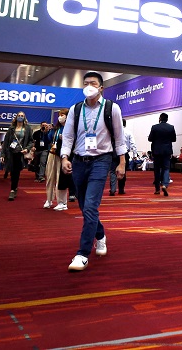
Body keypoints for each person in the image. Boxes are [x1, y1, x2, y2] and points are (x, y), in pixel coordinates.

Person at [60, 71, 126, 272]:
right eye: (86, 83)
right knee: (82, 204)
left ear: (101, 88)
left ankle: (82, 253)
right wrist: (64, 157)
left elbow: (119, 138)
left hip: (101, 160)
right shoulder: (75, 109)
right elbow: (68, 135)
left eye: (93, 83)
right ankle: (100, 235)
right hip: (79, 161)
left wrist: (121, 163)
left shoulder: (111, 108)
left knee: (90, 205)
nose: (89, 86)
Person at [3, 112, 34, 200]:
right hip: (11, 152)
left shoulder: (27, 129)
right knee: (12, 172)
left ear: (24, 118)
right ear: (16, 117)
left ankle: (13, 189)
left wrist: (27, 149)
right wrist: (3, 154)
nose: (20, 117)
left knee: (16, 172)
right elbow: (6, 142)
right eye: (19, 116)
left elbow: (31, 141)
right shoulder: (11, 128)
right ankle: (13, 189)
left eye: (22, 116)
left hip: (20, 153)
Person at [148, 112, 176, 196]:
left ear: (160, 118)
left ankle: (157, 189)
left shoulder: (154, 127)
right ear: (167, 119)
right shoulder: (171, 127)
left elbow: (150, 139)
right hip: (167, 151)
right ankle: (164, 185)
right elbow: (174, 139)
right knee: (166, 168)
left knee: (156, 170)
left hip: (156, 151)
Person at [111, 120, 136, 195]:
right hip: (125, 153)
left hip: (114, 153)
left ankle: (113, 189)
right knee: (123, 171)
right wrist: (134, 155)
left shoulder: (114, 132)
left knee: (112, 171)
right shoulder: (129, 132)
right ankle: (121, 189)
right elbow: (133, 144)